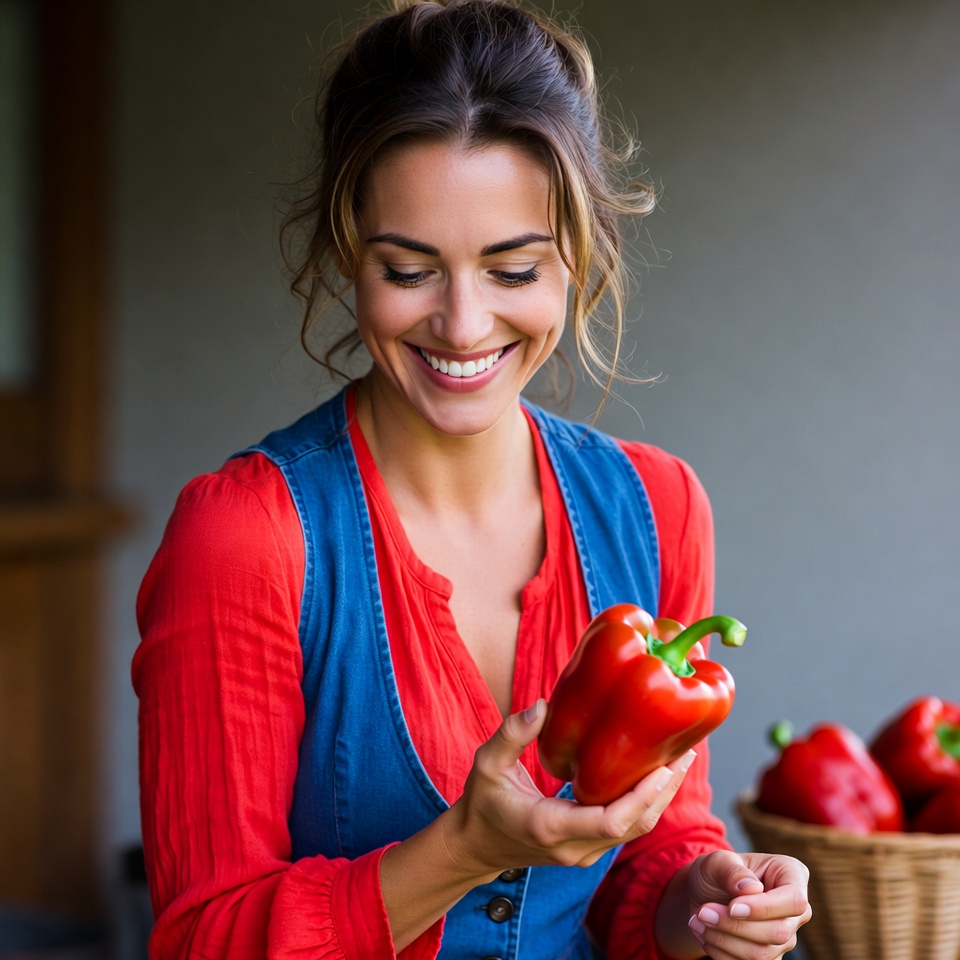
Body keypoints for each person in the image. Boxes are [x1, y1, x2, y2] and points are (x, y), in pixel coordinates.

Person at [132, 1, 812, 957]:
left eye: (512, 269)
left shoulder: (659, 510)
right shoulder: (247, 537)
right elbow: (205, 938)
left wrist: (707, 901)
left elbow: (652, 853)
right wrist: (461, 851)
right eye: (409, 270)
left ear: (580, 256)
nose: (461, 324)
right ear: (345, 255)